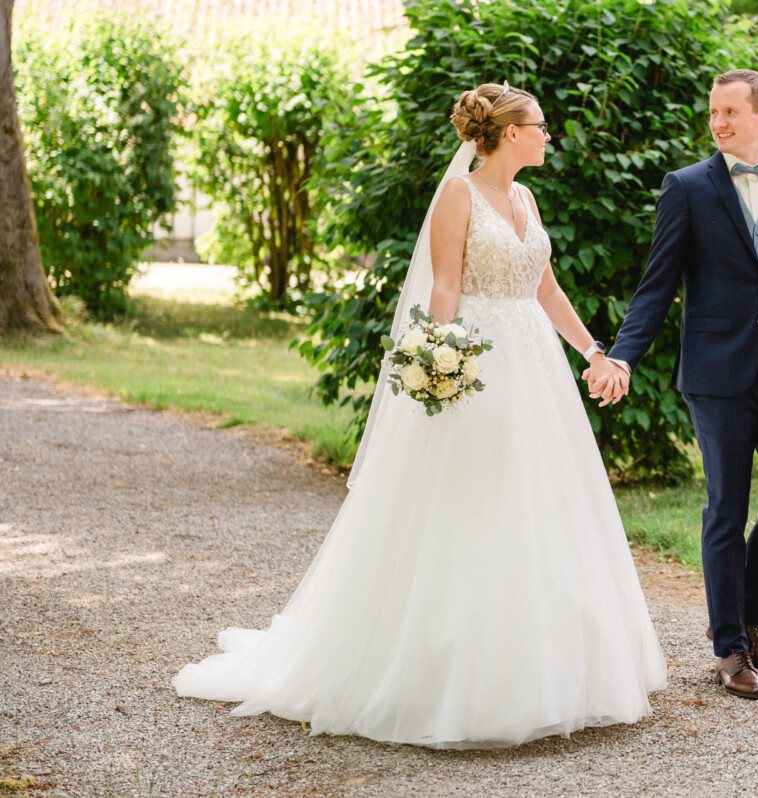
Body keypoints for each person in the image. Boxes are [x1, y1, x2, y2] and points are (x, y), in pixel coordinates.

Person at [174, 81, 666, 748]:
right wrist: (442, 359)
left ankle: (548, 666)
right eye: (541, 126)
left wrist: (594, 351)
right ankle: (445, 673)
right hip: (480, 362)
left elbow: (545, 288)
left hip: (537, 372)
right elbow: (445, 285)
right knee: (471, 504)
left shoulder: (526, 196)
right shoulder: (459, 194)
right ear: (508, 133)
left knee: (538, 504)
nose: (549, 136)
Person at [588, 69, 758, 700]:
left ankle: (751, 619)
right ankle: (730, 649)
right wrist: (622, 357)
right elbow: (656, 286)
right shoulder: (688, 188)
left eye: (729, 112)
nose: (717, 122)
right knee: (727, 504)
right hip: (716, 375)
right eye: (713, 112)